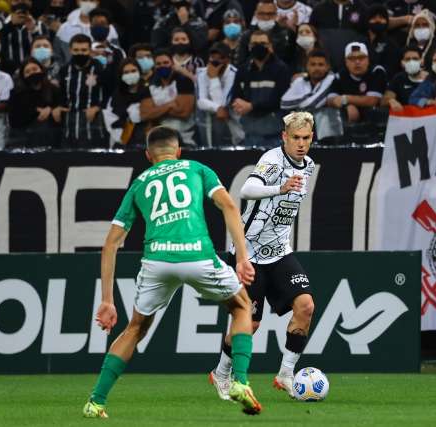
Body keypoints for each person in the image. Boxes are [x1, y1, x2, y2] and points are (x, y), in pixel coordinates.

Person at [83, 125, 262, 418]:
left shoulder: (140, 183)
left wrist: (107, 300)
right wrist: (242, 257)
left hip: (157, 262)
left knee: (135, 329)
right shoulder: (196, 168)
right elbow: (228, 205)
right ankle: (240, 382)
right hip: (198, 255)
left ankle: (96, 402)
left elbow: (110, 245)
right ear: (178, 151)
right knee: (242, 306)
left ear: (148, 155)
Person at [209, 111, 316, 401]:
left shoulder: (308, 165)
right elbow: (247, 188)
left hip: (280, 251)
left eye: (306, 138)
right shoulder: (272, 160)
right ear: (284, 137)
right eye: (295, 137)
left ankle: (286, 374)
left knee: (305, 306)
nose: (301, 144)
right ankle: (220, 373)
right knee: (250, 323)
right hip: (250, 251)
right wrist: (279, 188)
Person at [232, 29, 291, 146]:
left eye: (263, 44)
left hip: (275, 133)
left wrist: (251, 106)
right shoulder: (243, 70)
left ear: (270, 46)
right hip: (249, 133)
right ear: (249, 47)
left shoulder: (281, 69)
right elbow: (236, 95)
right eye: (254, 44)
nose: (258, 47)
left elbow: (280, 100)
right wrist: (237, 103)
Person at [54, 33, 107, 148]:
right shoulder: (64, 70)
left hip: (94, 122)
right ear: (70, 50)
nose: (80, 53)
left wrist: (97, 107)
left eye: (84, 50)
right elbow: (61, 94)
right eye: (76, 50)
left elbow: (109, 94)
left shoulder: (100, 69)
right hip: (69, 123)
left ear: (90, 51)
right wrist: (58, 107)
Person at [281, 49, 342, 142]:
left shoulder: (332, 79)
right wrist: (309, 96)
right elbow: (284, 103)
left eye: (321, 65)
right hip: (303, 134)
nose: (317, 68)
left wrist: (298, 103)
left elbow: (314, 102)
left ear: (327, 67)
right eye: (313, 64)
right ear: (307, 66)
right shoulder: (299, 81)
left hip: (328, 133)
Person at [139, 49, 196, 147]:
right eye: (158, 64)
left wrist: (156, 110)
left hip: (184, 137)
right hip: (157, 137)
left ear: (172, 64)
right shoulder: (150, 86)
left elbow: (184, 112)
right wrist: (170, 105)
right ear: (154, 66)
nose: (162, 66)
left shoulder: (184, 82)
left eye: (166, 63)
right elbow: (145, 114)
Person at [196, 42, 243, 146]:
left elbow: (224, 104)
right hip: (208, 121)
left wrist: (213, 78)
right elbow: (201, 101)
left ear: (228, 59)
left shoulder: (234, 74)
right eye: (213, 57)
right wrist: (217, 108)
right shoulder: (202, 73)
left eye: (221, 58)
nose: (216, 61)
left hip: (232, 122)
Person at [327, 42, 385, 123]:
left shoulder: (376, 71)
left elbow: (372, 101)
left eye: (361, 57)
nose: (357, 62)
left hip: (375, 122)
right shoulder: (340, 75)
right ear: (346, 62)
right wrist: (347, 105)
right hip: (349, 123)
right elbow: (330, 99)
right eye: (352, 59)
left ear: (368, 60)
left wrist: (346, 99)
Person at [8, 58, 61, 147]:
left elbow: (60, 110)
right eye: (28, 72)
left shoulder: (53, 89)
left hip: (51, 140)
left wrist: (51, 109)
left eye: (35, 69)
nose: (32, 73)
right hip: (24, 141)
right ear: (23, 76)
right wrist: (36, 111)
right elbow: (14, 121)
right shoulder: (16, 94)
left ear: (41, 69)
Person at [54, 0, 120, 65]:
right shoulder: (64, 28)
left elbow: (116, 55)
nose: (88, 3)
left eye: (92, 0)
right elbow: (57, 56)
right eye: (84, 0)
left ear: (97, 2)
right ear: (77, 1)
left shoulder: (110, 29)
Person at [103, 58, 147, 148]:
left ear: (139, 71)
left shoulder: (149, 91)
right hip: (122, 142)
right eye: (126, 72)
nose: (130, 74)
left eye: (133, 71)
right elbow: (110, 120)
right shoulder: (116, 96)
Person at [237, 0, 296, 65]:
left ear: (276, 15)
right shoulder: (246, 36)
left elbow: (290, 62)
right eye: (262, 13)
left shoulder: (285, 36)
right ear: (256, 14)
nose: (266, 17)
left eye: (270, 14)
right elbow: (241, 63)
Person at [0, 0, 48, 68]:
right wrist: (10, 25)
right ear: (10, 2)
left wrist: (33, 31)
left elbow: (45, 52)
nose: (20, 2)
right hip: (7, 72)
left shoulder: (40, 26)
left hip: (33, 71)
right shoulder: (0, 23)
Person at [382, 46, 428, 111]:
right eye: (407, 59)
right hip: (406, 118)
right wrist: (391, 101)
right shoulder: (399, 78)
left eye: (415, 59)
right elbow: (384, 100)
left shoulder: (432, 79)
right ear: (402, 62)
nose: (411, 62)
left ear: (422, 61)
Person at [365, 4, 401, 77]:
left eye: (381, 18)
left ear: (386, 21)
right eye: (373, 17)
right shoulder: (360, 42)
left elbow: (393, 69)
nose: (377, 20)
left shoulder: (392, 45)